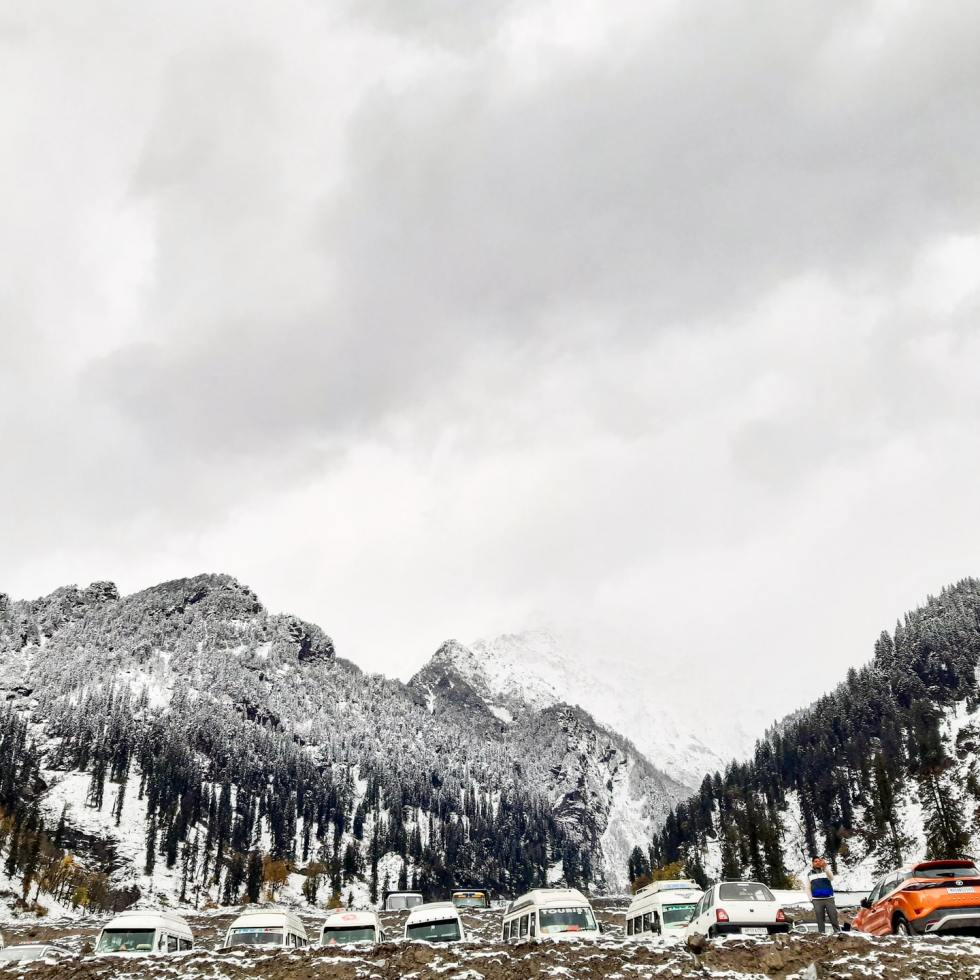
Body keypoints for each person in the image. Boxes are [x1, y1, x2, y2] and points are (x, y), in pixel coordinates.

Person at [806, 856, 840, 934]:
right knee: (820, 919)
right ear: (812, 863)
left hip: (829, 898)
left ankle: (838, 933)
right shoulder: (809, 874)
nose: (817, 863)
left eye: (819, 861)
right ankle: (822, 935)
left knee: (833, 917)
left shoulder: (826, 871)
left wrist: (825, 867)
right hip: (817, 900)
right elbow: (807, 888)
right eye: (815, 861)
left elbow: (831, 878)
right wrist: (811, 899)